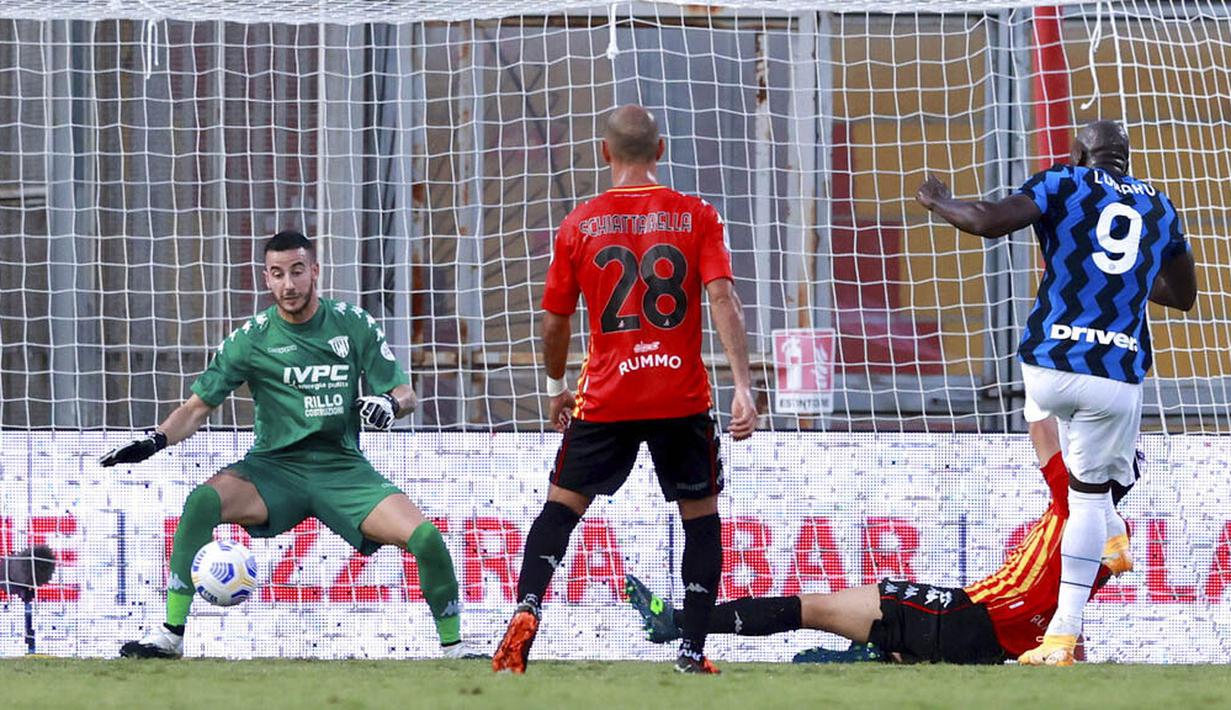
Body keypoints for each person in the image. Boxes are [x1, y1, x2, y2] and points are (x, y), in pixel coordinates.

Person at [102, 230, 480, 659]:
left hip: (342, 470)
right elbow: (196, 408)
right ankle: (171, 636)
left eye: (297, 271)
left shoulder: (352, 323)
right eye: (278, 274)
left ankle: (455, 648)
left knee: (427, 538)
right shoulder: (252, 338)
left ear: (314, 271)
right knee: (201, 502)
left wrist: (389, 406)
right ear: (266, 279)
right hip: (273, 471)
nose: (289, 284)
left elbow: (404, 393)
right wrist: (155, 440)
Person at [914, 120, 1195, 665]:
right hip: (1116, 373)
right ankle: (1065, 631)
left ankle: (1106, 539)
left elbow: (989, 221)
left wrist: (939, 201)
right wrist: (1131, 279)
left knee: (1045, 405)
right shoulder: (1160, 206)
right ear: (1125, 158)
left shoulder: (1063, 180)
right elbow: (1182, 295)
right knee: (1089, 497)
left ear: (1079, 152)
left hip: (1048, 364)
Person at [491, 105, 757, 675]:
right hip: (680, 396)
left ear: (605, 152)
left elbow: (554, 321)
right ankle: (691, 648)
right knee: (700, 518)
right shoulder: (697, 215)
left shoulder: (579, 224)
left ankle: (528, 608)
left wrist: (556, 386)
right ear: (661, 152)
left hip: (607, 397)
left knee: (560, 511)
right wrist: (742, 386)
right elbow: (722, 299)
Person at [625, 418, 1137, 665]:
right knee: (828, 616)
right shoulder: (1110, 531)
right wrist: (1074, 652)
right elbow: (1067, 600)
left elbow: (1039, 424)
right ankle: (876, 656)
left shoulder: (1075, 503)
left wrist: (1047, 360)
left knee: (811, 607)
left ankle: (679, 624)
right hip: (973, 628)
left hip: (962, 619)